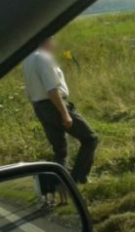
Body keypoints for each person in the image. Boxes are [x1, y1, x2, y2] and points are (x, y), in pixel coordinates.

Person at [22, 37, 98, 184]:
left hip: (39, 106)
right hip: (54, 105)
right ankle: (78, 177)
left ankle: (56, 184)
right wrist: (65, 114)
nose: (55, 44)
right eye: (53, 40)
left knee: (60, 150)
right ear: (46, 40)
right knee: (90, 138)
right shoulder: (44, 58)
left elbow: (29, 90)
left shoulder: (27, 59)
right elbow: (52, 89)